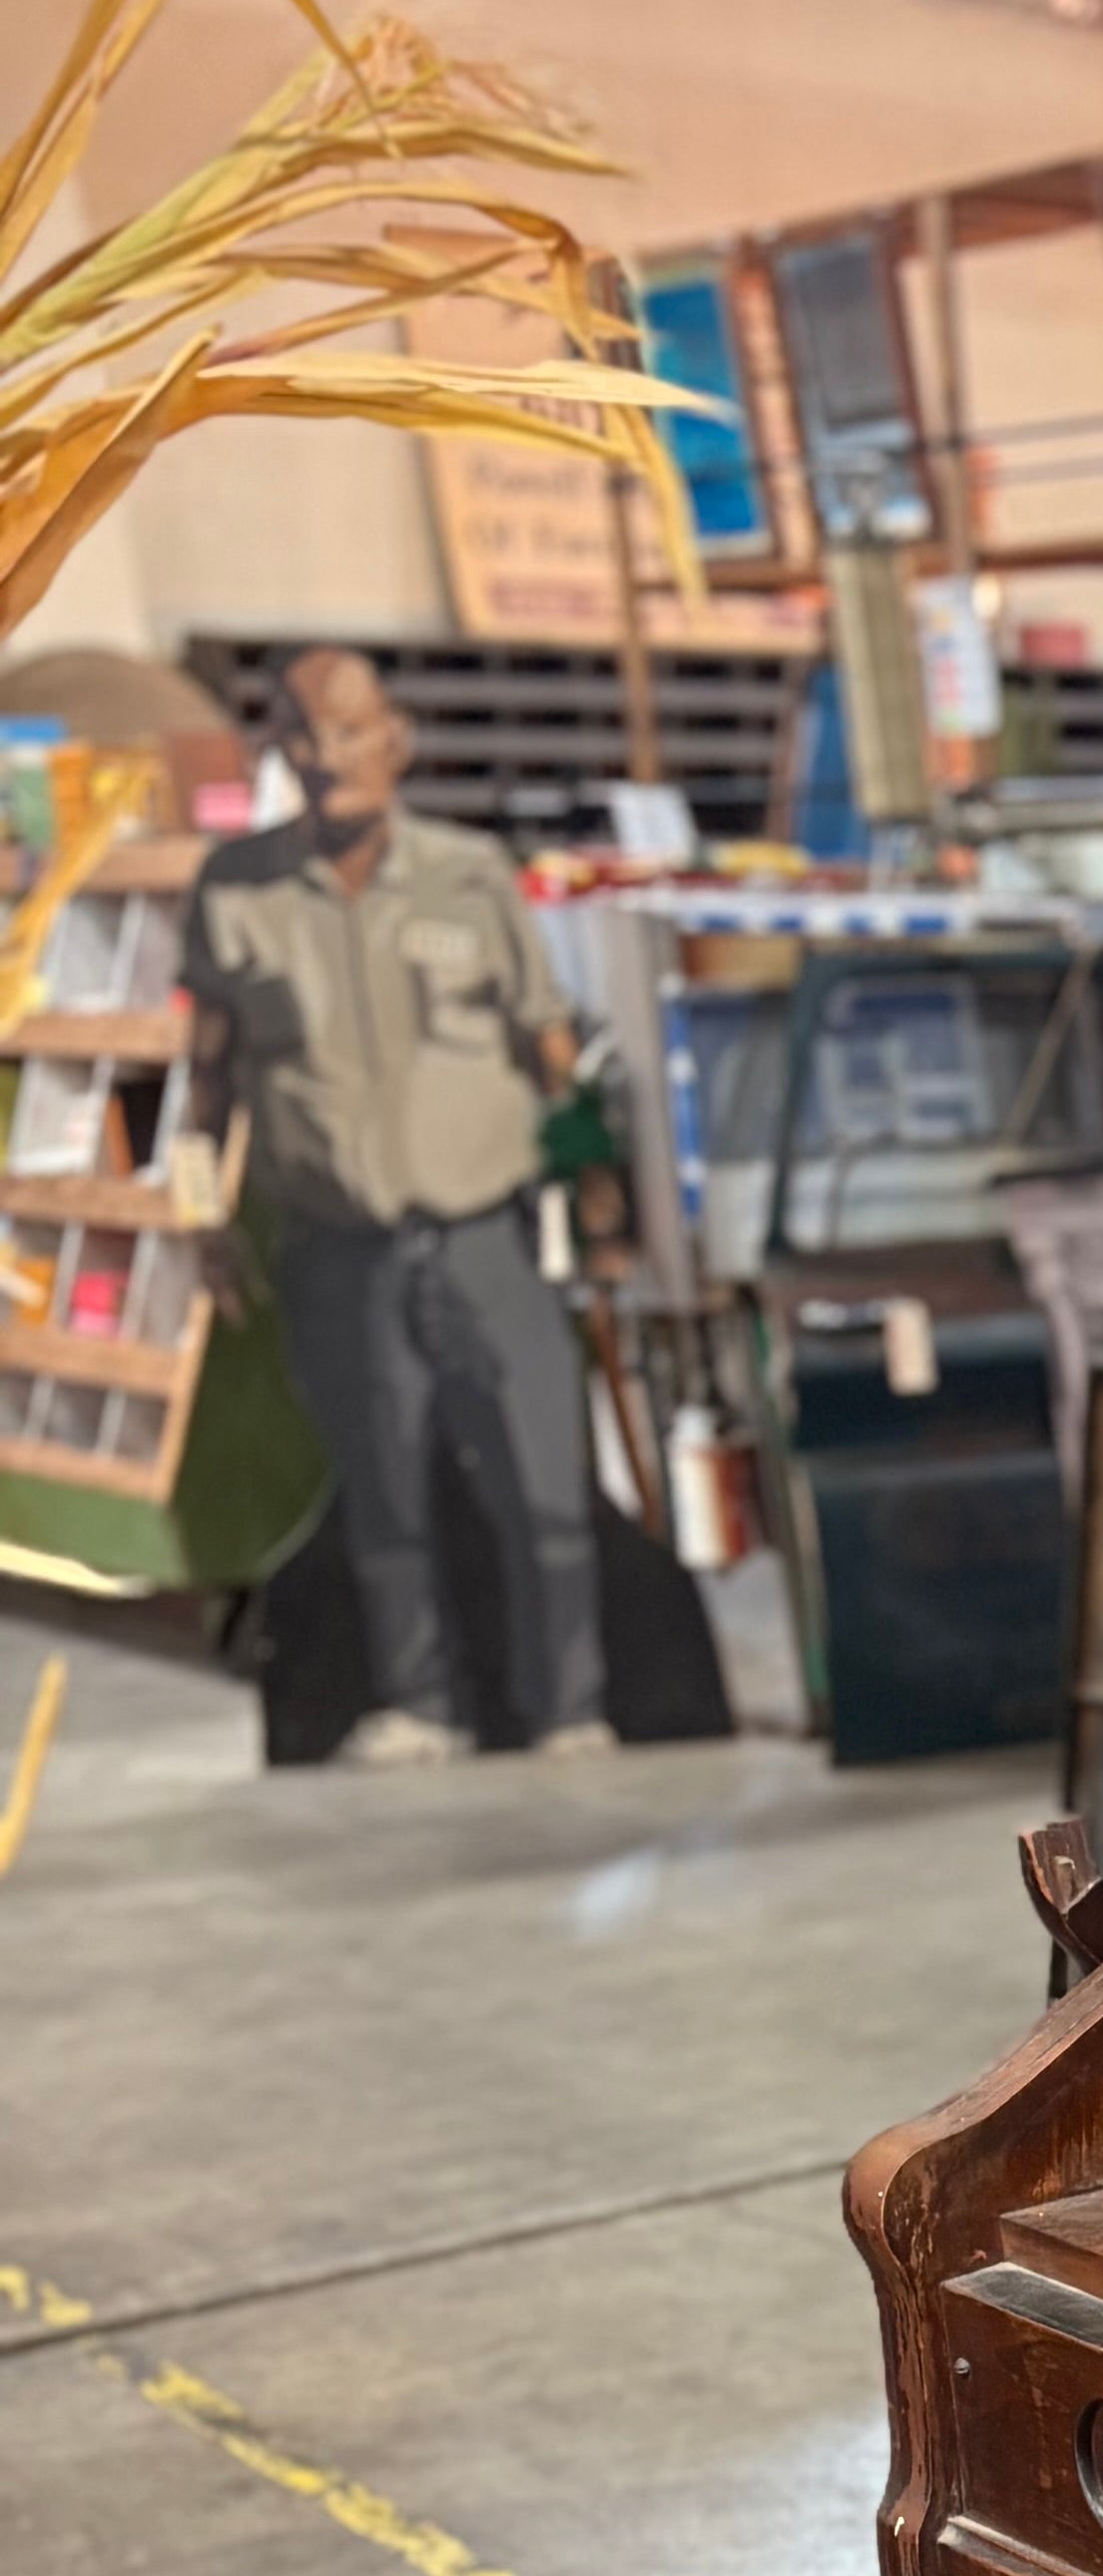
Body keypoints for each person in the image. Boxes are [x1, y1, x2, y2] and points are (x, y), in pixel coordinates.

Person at [181, 646, 610, 1766]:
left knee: (544, 1487)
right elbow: (205, 1078)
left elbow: (552, 1050)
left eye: (351, 730)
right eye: (305, 734)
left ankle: (569, 1711)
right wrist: (200, 1218)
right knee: (382, 1497)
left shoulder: (471, 876)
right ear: (280, 750)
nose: (329, 756)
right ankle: (423, 1707)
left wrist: (601, 1193)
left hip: (483, 1238)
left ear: (396, 741)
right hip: (338, 1251)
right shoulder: (237, 892)